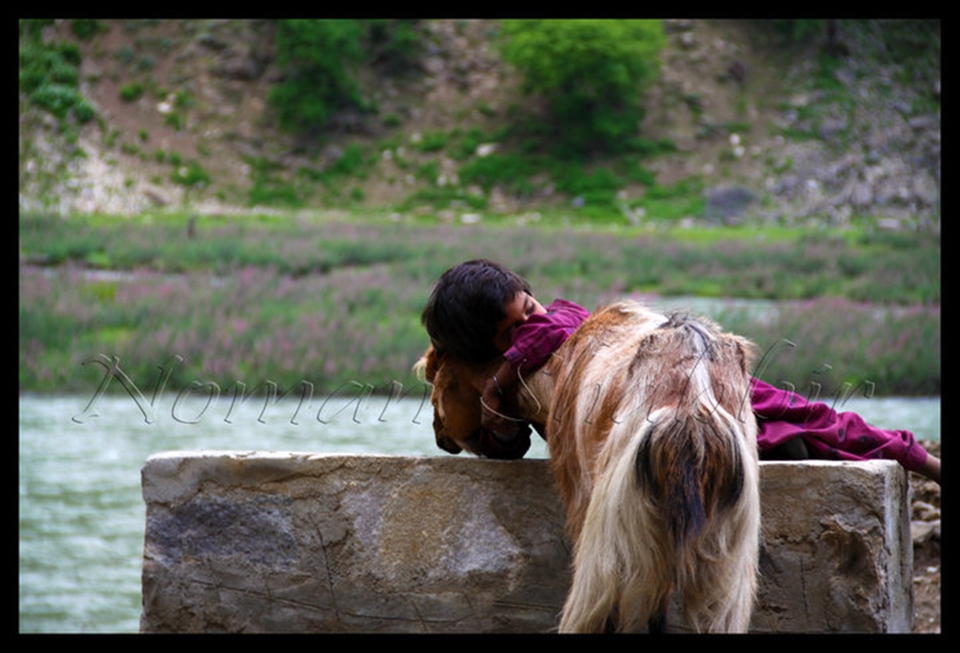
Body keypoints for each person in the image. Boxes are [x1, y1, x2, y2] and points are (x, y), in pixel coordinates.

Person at [421, 259, 941, 484]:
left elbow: (554, 330)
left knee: (816, 418)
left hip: (676, 369)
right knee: (778, 432)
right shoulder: (511, 383)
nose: (530, 320)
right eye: (511, 329)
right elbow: (508, 448)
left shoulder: (559, 322)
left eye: (528, 304)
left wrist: (505, 371)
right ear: (484, 346)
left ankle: (919, 460)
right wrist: (498, 416)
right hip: (646, 414)